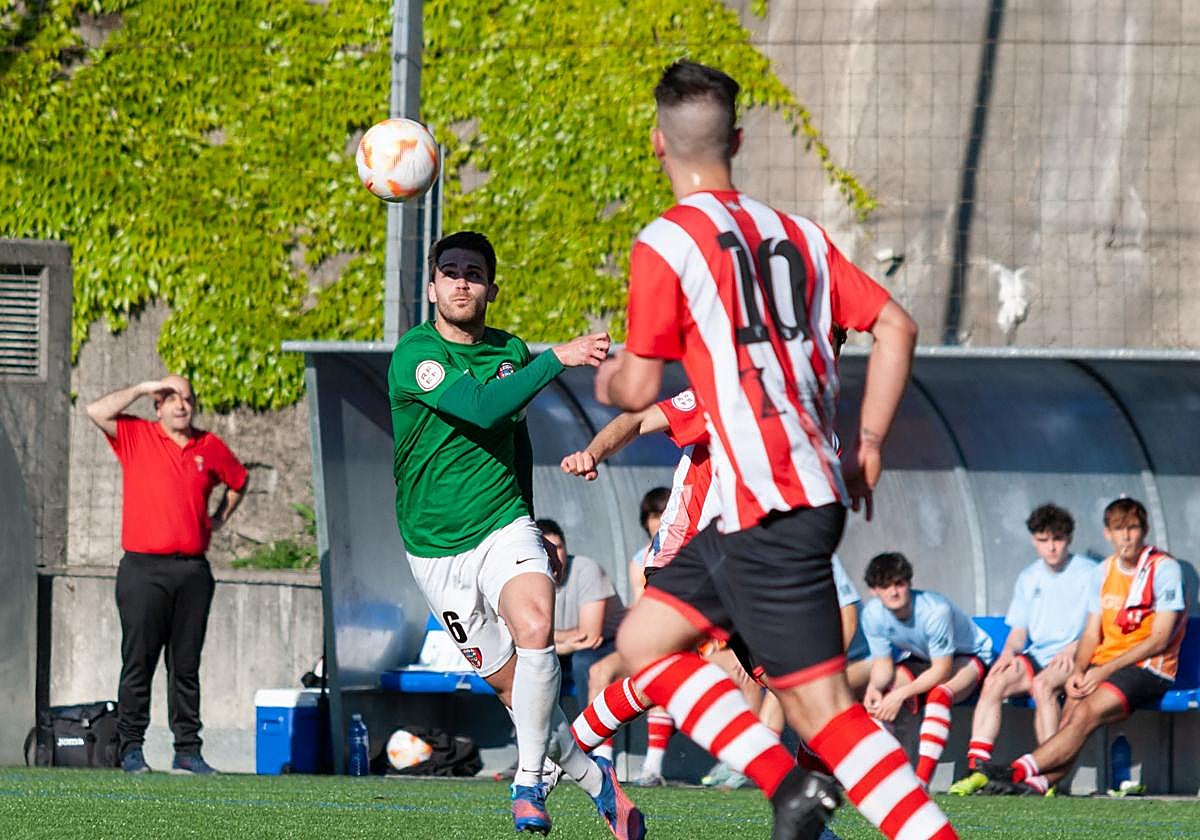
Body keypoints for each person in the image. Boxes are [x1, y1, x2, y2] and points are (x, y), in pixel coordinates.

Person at [600, 60, 955, 839]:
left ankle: (861, 809)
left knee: (826, 717)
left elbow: (636, 388)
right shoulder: (800, 234)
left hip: (772, 506)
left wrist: (611, 383)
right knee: (642, 640)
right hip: (783, 497)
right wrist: (868, 441)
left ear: (658, 144)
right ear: (739, 139)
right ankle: (788, 787)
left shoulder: (667, 240)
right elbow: (896, 325)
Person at [386, 230, 643, 839]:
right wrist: (557, 356)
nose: (461, 282)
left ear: (491, 289)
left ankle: (528, 784)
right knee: (520, 696)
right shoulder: (415, 353)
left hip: (503, 523)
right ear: (431, 288)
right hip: (435, 549)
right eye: (449, 272)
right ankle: (593, 779)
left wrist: (528, 522)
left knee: (536, 629)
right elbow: (480, 407)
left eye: (472, 273)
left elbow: (514, 435)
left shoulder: (511, 350)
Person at [85, 374, 247, 775]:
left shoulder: (207, 446)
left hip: (192, 571)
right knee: (138, 661)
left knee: (186, 666)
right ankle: (131, 748)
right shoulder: (136, 434)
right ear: (157, 406)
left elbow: (239, 481)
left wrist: (217, 520)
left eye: (187, 399)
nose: (181, 405)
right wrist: (141, 387)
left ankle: (188, 750)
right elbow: (95, 411)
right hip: (143, 570)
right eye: (171, 398)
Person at [974, 497, 1187, 796]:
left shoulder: (1163, 568)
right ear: (1107, 534)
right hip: (1105, 665)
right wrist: (1079, 669)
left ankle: (1016, 769)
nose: (1126, 536)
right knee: (1073, 714)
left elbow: (1160, 639)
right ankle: (1039, 783)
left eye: (1133, 528)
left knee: (1084, 712)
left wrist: (1102, 672)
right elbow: (1090, 633)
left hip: (1147, 667)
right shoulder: (1103, 572)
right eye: (1119, 529)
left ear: (1145, 530)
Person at [949, 504, 1097, 795]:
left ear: (1068, 538)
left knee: (1043, 686)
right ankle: (977, 768)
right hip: (1039, 655)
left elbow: (1100, 626)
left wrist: (1074, 649)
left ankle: (1048, 774)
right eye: (1043, 540)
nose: (1051, 547)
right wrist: (1008, 653)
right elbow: (1019, 632)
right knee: (994, 680)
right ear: (1034, 540)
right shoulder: (1029, 577)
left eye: (1057, 539)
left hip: (1077, 656)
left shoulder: (1091, 573)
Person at [859, 553, 995, 786]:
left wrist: (902, 693)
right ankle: (884, 778)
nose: (893, 592)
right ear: (874, 590)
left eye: (899, 583)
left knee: (938, 694)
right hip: (923, 658)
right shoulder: (872, 614)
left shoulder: (935, 610)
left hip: (968, 656)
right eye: (885, 586)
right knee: (880, 699)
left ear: (909, 583)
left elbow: (942, 670)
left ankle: (921, 781)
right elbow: (882, 662)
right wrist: (874, 687)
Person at [541, 519, 627, 761]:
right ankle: (536, 749)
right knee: (533, 665)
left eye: (557, 547)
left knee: (583, 662)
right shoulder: (529, 578)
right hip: (563, 648)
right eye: (545, 548)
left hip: (611, 643)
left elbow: (590, 636)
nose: (553, 554)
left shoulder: (586, 569)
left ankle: (589, 747)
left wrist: (551, 638)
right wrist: (564, 642)